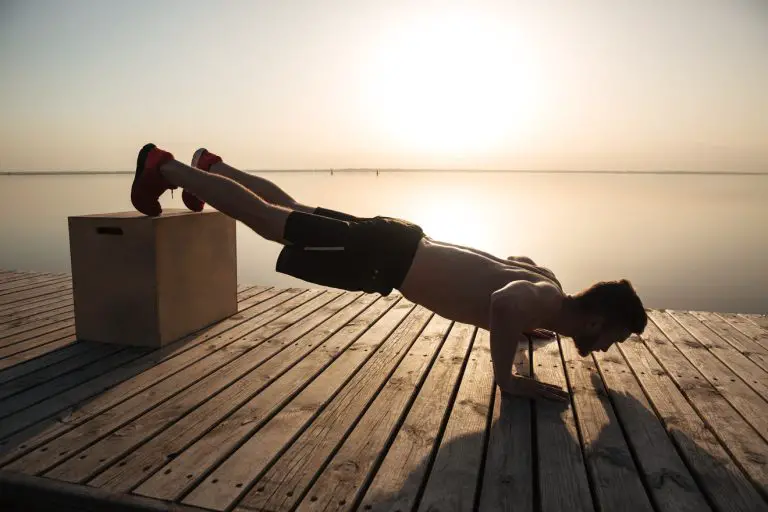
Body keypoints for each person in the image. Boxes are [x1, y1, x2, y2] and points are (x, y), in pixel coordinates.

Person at [131, 144, 647, 402]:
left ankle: (212, 169)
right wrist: (507, 381)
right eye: (614, 338)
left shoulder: (549, 288)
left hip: (400, 241)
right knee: (273, 223)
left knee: (292, 210)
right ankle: (166, 167)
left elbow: (516, 269)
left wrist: (525, 328)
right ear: (599, 320)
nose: (606, 348)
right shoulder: (538, 301)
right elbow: (503, 304)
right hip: (387, 256)